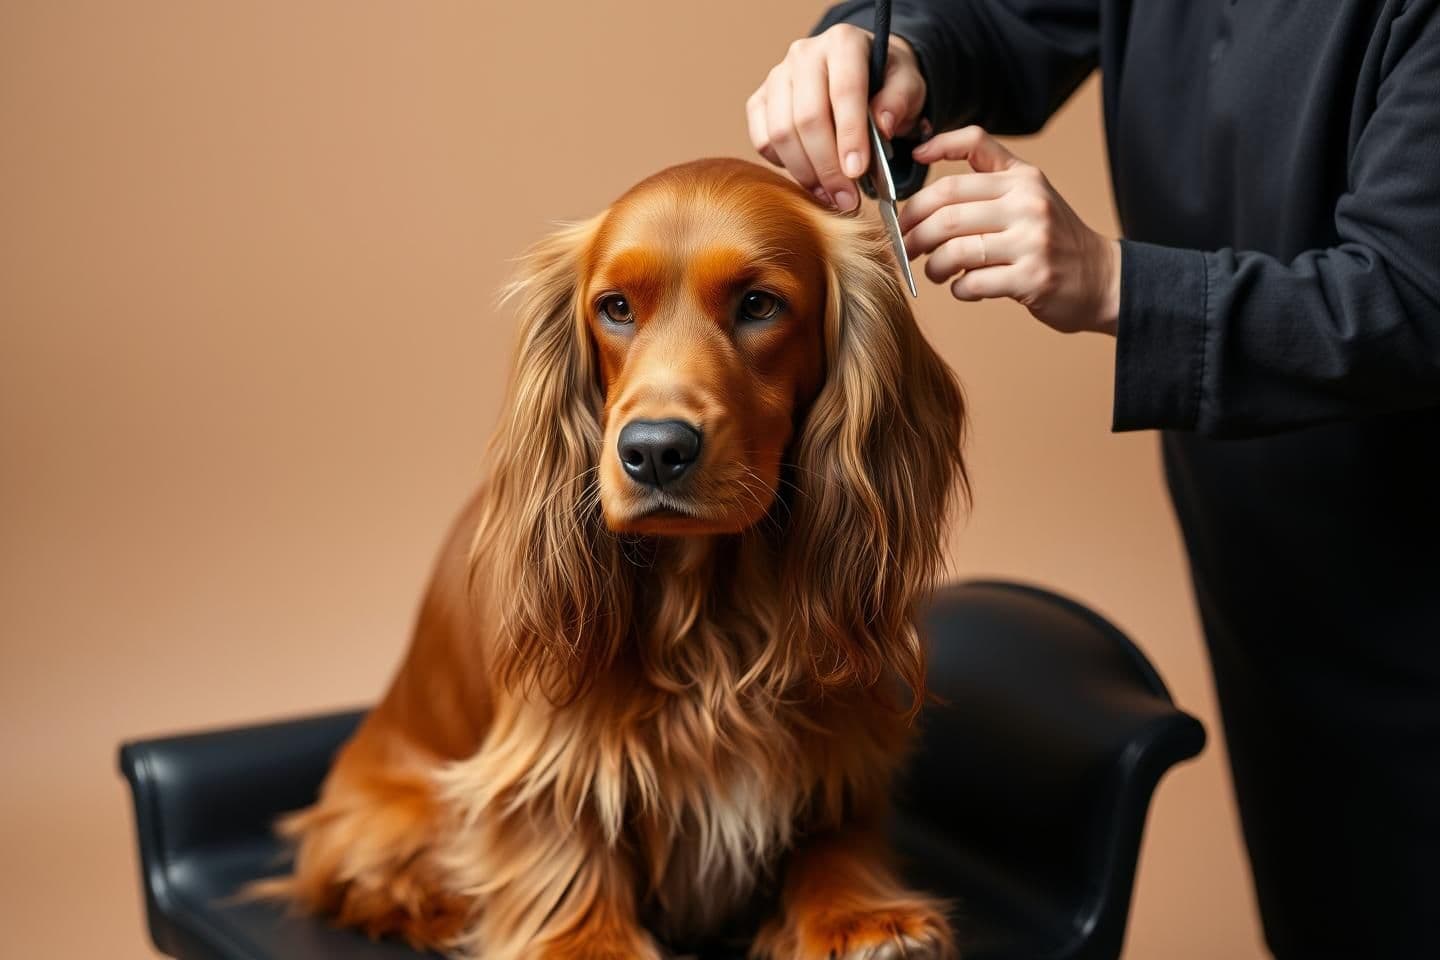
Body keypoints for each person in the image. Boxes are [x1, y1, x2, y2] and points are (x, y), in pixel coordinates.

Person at [748, 3, 1440, 958]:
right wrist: (894, 48)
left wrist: (1112, 281)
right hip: (1267, 550)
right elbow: (1001, 15)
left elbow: (1415, 295)